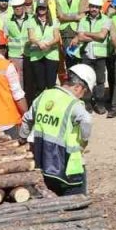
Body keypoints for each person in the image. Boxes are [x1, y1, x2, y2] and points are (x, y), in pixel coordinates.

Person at [22, 63, 94, 196]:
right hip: (68, 166)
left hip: (42, 161)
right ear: (78, 87)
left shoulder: (44, 95)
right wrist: (84, 141)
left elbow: (27, 119)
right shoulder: (73, 104)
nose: (82, 96)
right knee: (76, 204)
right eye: (84, 92)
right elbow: (87, 120)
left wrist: (22, 138)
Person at [72, 0, 111, 113]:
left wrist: (87, 34)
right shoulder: (83, 20)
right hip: (86, 55)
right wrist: (95, 35)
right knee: (86, 80)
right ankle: (87, 102)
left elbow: (102, 35)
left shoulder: (106, 20)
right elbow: (80, 37)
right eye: (92, 6)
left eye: (96, 7)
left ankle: (99, 103)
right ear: (89, 7)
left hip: (99, 55)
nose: (94, 9)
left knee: (100, 80)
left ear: (100, 8)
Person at [24, 0, 61, 105]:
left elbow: (57, 37)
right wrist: (39, 43)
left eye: (43, 7)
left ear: (47, 8)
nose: (41, 9)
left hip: (51, 55)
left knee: (50, 84)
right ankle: (40, 105)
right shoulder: (31, 21)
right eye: (40, 7)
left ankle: (51, 105)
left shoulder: (53, 21)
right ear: (37, 8)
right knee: (39, 85)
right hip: (37, 55)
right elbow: (31, 36)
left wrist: (48, 44)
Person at [4, 0, 31, 83]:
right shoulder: (8, 22)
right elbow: (5, 38)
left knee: (29, 80)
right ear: (12, 7)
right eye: (15, 6)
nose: (18, 8)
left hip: (29, 54)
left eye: (19, 6)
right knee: (16, 80)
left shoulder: (31, 19)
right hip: (14, 56)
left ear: (23, 5)